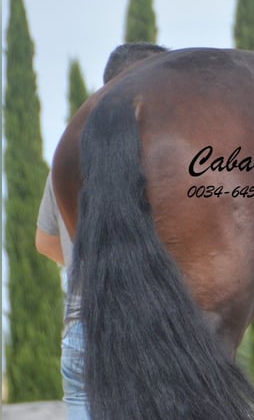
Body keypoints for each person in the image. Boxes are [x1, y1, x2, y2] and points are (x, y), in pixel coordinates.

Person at [36, 43, 167, 420]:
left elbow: (44, 242)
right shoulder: (163, 153)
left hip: (81, 331)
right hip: (148, 328)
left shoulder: (72, 151)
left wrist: (90, 265)